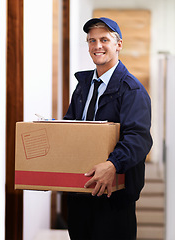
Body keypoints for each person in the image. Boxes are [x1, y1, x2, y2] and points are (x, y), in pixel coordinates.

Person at [63, 17, 153, 240]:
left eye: (104, 39)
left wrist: (113, 163)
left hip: (113, 201)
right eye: (91, 41)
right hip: (80, 194)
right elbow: (69, 128)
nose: (97, 46)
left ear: (118, 44)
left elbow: (138, 139)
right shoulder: (82, 87)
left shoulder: (132, 90)